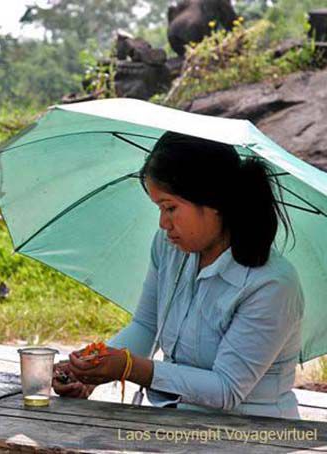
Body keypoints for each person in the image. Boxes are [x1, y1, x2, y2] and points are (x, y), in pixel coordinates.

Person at [53, 131, 304, 419]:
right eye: (159, 209)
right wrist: (90, 371)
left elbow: (226, 388)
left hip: (255, 434)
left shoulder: (271, 284)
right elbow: (146, 326)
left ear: (214, 203)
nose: (163, 224)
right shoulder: (169, 248)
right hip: (174, 422)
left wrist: (130, 367)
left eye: (170, 208)